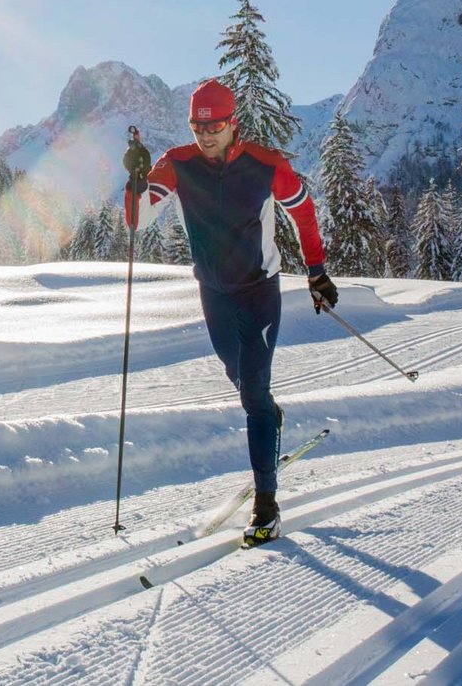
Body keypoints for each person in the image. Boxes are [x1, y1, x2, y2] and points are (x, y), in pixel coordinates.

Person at [123, 78, 337, 545]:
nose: (206, 135)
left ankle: (266, 504)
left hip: (260, 290)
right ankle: (268, 416)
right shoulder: (178, 164)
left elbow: (303, 211)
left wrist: (317, 271)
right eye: (199, 127)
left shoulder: (265, 165)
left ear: (232, 122)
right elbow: (138, 217)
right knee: (240, 377)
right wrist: (136, 180)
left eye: (215, 126)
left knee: (253, 393)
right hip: (213, 293)